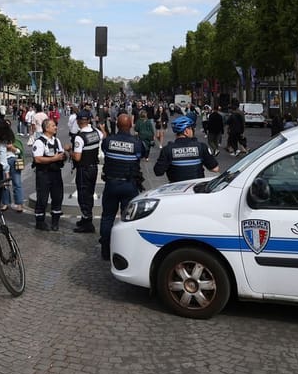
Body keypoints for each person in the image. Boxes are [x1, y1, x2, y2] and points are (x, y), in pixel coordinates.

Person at [98, 113, 146, 261]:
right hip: (129, 185)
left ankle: (105, 251)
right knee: (128, 220)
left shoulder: (108, 142)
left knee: (107, 218)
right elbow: (141, 155)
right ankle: (126, 251)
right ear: (131, 125)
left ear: (117, 125)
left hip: (111, 184)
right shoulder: (137, 143)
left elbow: (105, 151)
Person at [154, 115, 220, 183]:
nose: (192, 131)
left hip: (177, 189)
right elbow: (215, 169)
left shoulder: (167, 149)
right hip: (196, 188)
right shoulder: (201, 147)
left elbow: (158, 172)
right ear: (186, 131)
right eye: (191, 128)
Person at [69, 109, 103, 233]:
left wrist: (69, 151)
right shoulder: (96, 132)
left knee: (83, 195)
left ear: (78, 121)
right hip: (94, 167)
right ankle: (85, 218)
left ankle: (87, 222)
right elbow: (103, 135)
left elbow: (77, 157)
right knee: (89, 193)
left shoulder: (80, 137)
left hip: (83, 169)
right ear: (88, 120)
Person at [30, 118, 67, 231]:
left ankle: (55, 222)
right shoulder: (39, 142)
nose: (55, 127)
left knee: (57, 197)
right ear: (46, 128)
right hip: (44, 174)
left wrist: (64, 155)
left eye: (55, 126)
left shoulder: (56, 141)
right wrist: (54, 158)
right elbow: (38, 159)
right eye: (53, 126)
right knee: (42, 198)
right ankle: (40, 222)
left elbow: (61, 154)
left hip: (56, 173)